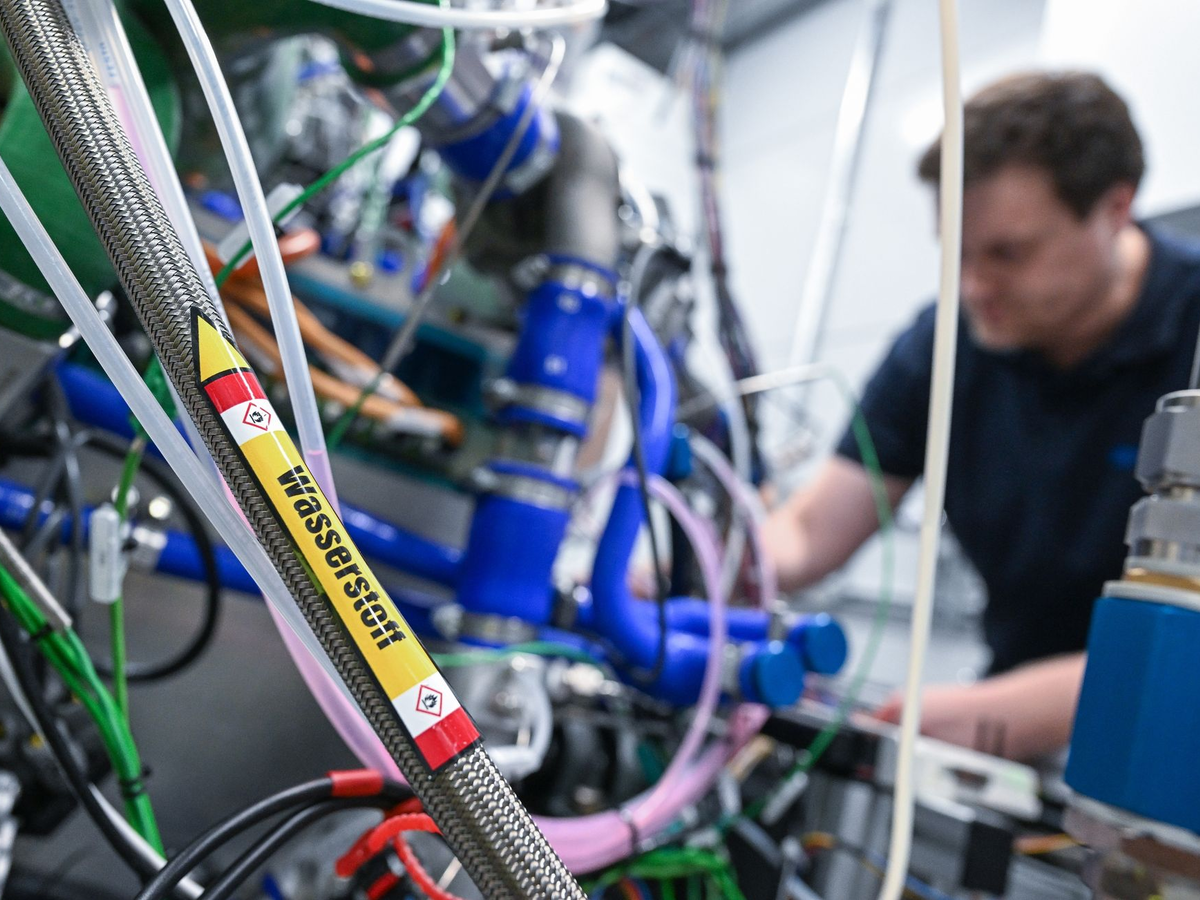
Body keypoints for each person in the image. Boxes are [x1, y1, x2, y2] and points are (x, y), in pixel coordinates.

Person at [763, 70, 1200, 762]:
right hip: (1015, 737)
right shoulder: (945, 344)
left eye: (1006, 254)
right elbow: (811, 531)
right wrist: (692, 565)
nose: (971, 287)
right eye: (956, 253)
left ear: (1115, 208)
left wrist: (1031, 709)